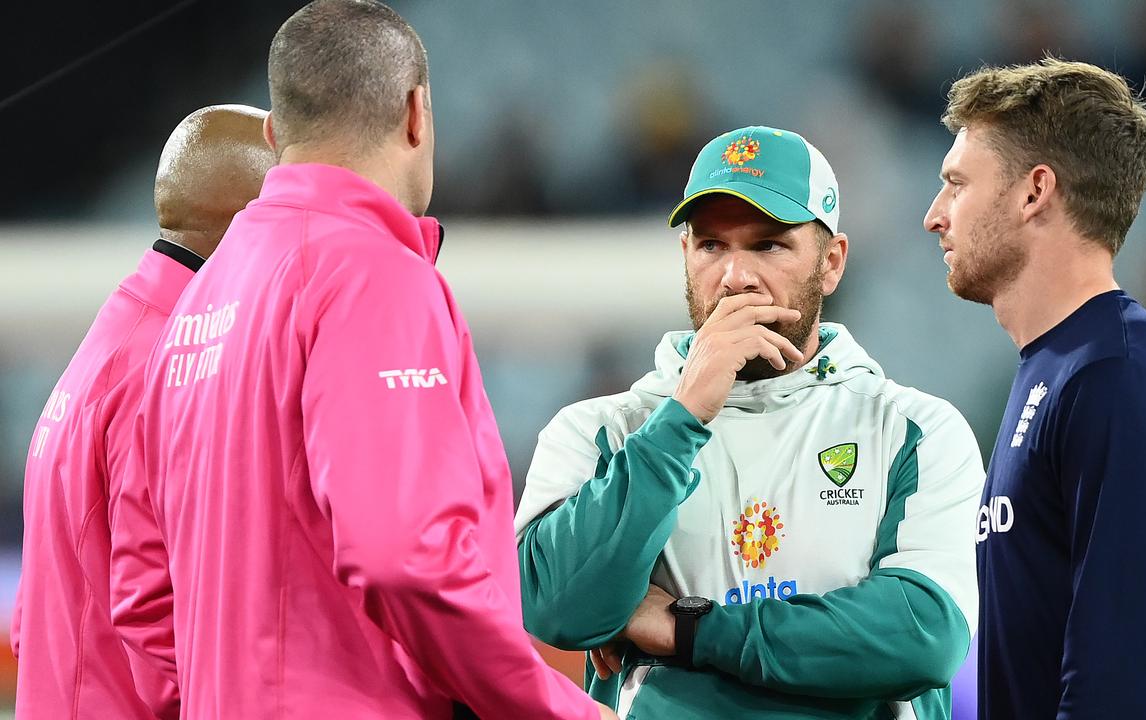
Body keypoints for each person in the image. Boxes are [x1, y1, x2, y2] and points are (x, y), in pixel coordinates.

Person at [109, 1, 612, 718]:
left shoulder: (198, 298)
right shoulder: (373, 275)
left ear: (276, 133)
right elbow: (400, 554)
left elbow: (142, 594)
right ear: (417, 113)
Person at [516, 125, 985, 719]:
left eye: (768, 245)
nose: (736, 277)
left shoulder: (913, 430)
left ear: (832, 262)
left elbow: (923, 635)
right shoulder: (600, 432)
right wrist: (681, 417)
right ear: (684, 255)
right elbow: (558, 610)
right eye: (711, 245)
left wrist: (687, 629)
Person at [922, 57, 1146, 719]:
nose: (934, 216)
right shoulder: (1063, 370)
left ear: (1034, 191)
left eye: (956, 185)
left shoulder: (1121, 380)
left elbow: (1118, 690)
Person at [14, 104, 273, 719]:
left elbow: (33, 618)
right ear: (247, 220)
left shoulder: (118, 338)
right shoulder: (175, 363)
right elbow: (155, 620)